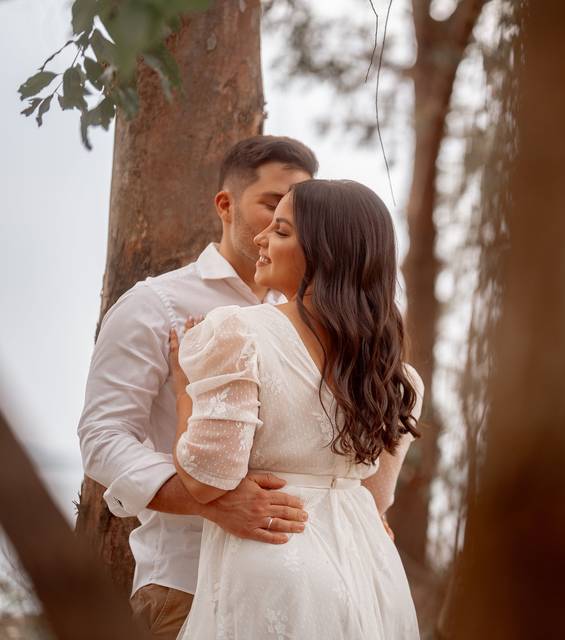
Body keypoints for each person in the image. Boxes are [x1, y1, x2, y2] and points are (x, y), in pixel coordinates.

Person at [78, 136, 321, 639]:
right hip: (188, 584)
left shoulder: (312, 316)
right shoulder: (153, 305)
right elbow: (103, 437)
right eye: (271, 204)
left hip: (300, 588)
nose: (282, 224)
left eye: (297, 212)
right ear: (225, 205)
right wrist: (207, 500)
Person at [168, 179, 423, 639]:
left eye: (281, 232)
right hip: (372, 577)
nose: (262, 238)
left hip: (276, 565)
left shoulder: (237, 334)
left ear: (324, 253)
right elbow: (376, 498)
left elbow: (206, 480)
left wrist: (186, 388)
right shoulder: (396, 377)